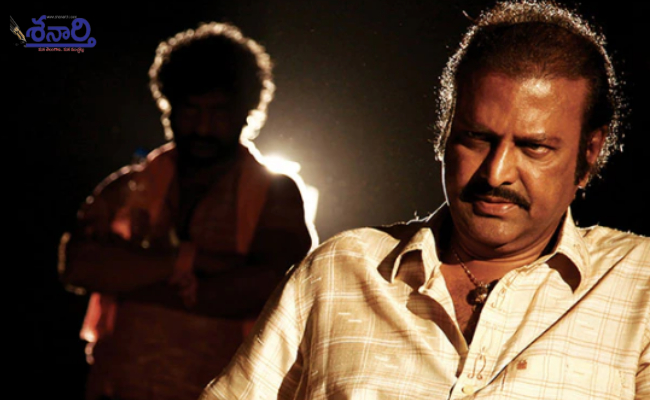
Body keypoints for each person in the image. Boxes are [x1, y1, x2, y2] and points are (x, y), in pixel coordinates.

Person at [199, 2, 649, 399]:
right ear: (444, 135)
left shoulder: (639, 287)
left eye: (533, 147)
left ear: (589, 155)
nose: (496, 173)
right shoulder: (339, 271)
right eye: (476, 138)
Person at [58, 22, 314, 400]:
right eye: (190, 111)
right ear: (169, 108)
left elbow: (274, 292)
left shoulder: (275, 194)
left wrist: (136, 280)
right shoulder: (130, 185)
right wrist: (192, 263)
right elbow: (78, 266)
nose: (203, 127)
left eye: (218, 113)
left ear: (246, 112)